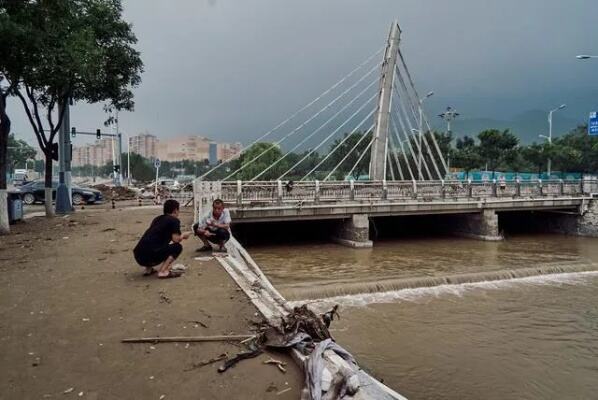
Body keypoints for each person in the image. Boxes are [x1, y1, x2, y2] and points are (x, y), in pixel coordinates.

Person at [133, 199, 191, 278]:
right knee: (177, 247)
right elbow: (176, 240)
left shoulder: (157, 219)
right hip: (151, 255)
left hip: (138, 255)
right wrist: (184, 235)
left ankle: (148, 269)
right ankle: (163, 271)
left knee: (153, 243)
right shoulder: (174, 220)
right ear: (175, 210)